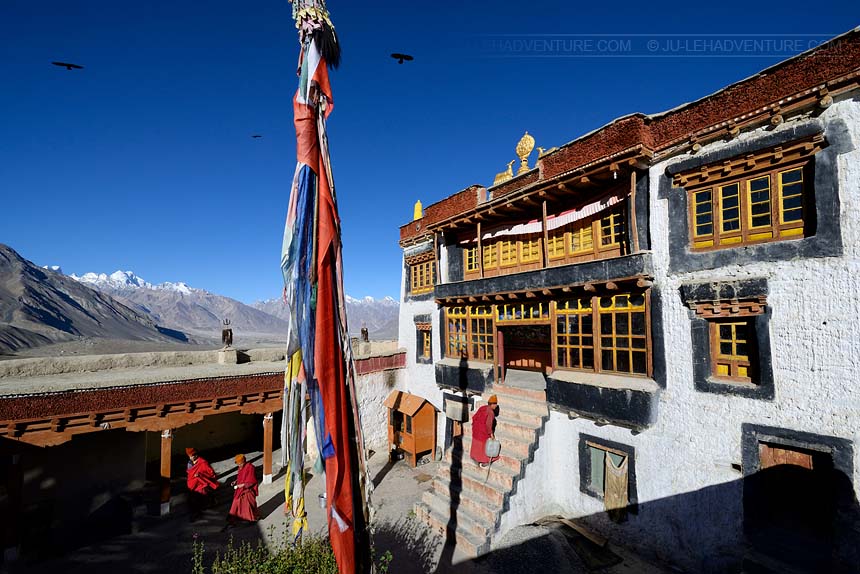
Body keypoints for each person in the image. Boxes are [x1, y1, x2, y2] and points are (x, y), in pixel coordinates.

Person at [186, 447, 219, 521]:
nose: (191, 458)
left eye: (192, 456)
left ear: (196, 455)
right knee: (192, 498)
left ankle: (197, 513)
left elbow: (211, 473)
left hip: (201, 483)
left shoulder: (203, 462)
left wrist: (200, 475)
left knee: (199, 496)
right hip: (193, 482)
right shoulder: (189, 463)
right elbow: (189, 473)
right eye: (190, 456)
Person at [227, 454, 259, 527]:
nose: (239, 466)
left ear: (244, 461)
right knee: (236, 503)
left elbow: (252, 480)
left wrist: (242, 485)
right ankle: (234, 519)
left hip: (248, 489)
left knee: (247, 505)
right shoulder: (240, 468)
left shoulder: (250, 467)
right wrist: (235, 481)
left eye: (240, 464)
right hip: (240, 489)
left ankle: (251, 519)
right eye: (238, 464)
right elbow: (241, 477)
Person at [470, 395, 500, 468]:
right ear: (492, 404)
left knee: (476, 444)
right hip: (483, 432)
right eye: (495, 404)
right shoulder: (491, 413)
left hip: (476, 430)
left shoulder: (482, 407)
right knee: (485, 444)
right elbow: (488, 425)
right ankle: (487, 461)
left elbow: (474, 417)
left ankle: (475, 459)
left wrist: (474, 426)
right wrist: (491, 434)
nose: (496, 406)